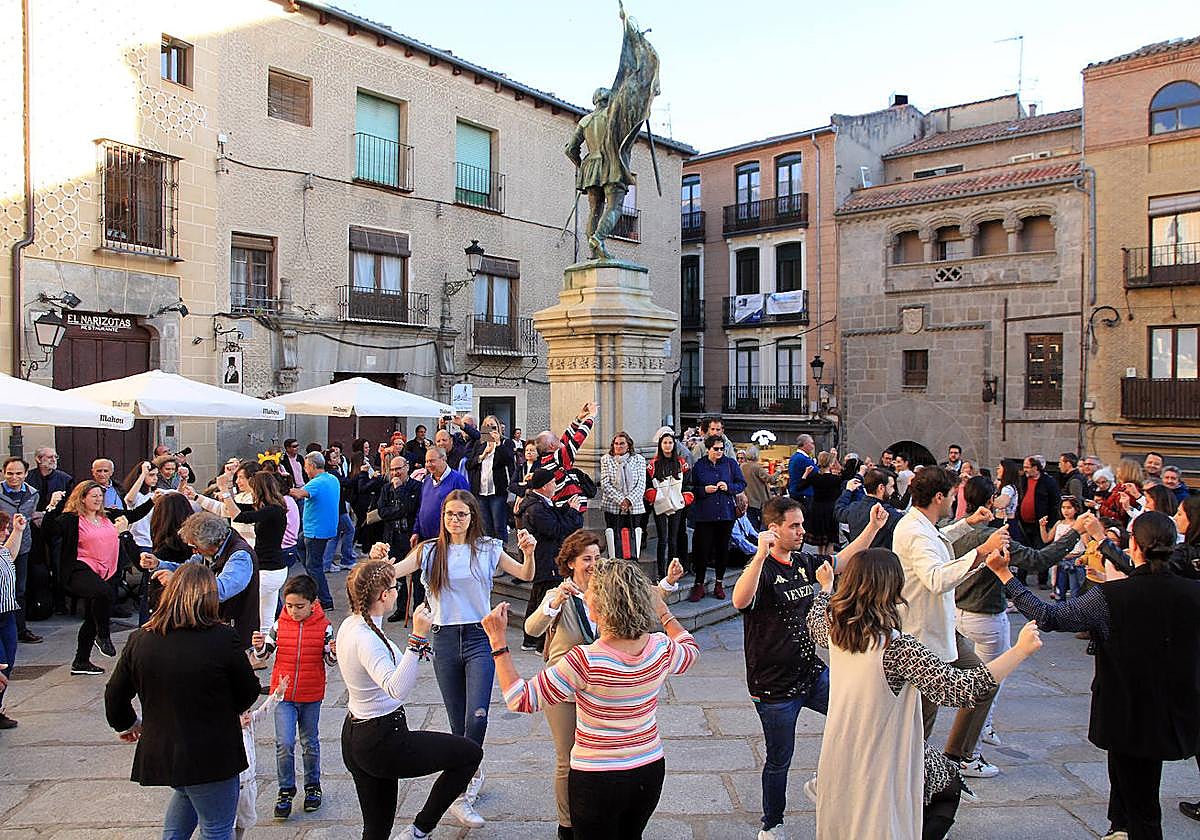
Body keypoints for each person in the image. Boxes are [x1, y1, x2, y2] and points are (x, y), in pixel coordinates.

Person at [807, 548, 1043, 840]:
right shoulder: (896, 647)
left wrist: (826, 589)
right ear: (893, 588)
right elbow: (961, 688)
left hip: (843, 748)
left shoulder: (836, 627)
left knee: (932, 788)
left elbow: (814, 620)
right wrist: (1019, 651)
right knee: (936, 795)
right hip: (882, 754)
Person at [995, 510, 1200, 840]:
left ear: (1134, 546)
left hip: (1129, 711)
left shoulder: (1111, 596)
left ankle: (1124, 827)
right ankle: (1118, 827)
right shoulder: (1192, 592)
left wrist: (1006, 575)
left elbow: (1049, 616)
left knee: (1143, 808)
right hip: (1176, 710)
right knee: (1132, 788)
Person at [489, 559, 699, 840]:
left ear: (602, 606)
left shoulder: (585, 660)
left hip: (597, 777)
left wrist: (498, 643)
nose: (585, 595)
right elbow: (690, 650)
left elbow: (520, 699)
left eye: (591, 591)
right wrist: (664, 612)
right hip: (648, 768)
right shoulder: (660, 647)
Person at [733, 496, 890, 839]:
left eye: (802, 524)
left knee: (858, 716)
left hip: (812, 672)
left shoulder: (804, 561)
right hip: (773, 685)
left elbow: (843, 560)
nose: (802, 530)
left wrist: (873, 528)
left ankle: (826, 780)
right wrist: (759, 555)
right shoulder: (762, 568)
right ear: (773, 529)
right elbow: (740, 600)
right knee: (779, 760)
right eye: (794, 525)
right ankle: (772, 824)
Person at [376, 490, 537, 819]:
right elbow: (392, 572)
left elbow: (525, 574)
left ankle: (461, 791)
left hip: (479, 637)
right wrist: (380, 558)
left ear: (472, 517)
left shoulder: (488, 548)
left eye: (462, 514)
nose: (455, 520)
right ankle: (469, 775)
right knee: (456, 721)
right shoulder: (430, 551)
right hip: (444, 639)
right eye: (450, 514)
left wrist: (529, 553)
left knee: (476, 718)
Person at [104, 563, 261, 839]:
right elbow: (248, 692)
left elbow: (114, 695)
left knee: (186, 800)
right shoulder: (222, 638)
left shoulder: (141, 639)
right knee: (217, 827)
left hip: (164, 748)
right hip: (211, 753)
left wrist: (128, 724)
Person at [338, 561, 484, 840]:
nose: (397, 592)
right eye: (394, 588)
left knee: (376, 829)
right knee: (469, 754)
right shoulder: (364, 637)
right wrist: (417, 637)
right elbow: (396, 688)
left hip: (359, 735)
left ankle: (419, 831)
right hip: (381, 739)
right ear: (383, 595)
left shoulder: (352, 624)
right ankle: (421, 829)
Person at [892, 466, 1010, 779]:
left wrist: (967, 524)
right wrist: (982, 550)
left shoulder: (919, 524)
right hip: (924, 639)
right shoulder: (916, 533)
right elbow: (935, 578)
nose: (955, 501)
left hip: (940, 632)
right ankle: (911, 783)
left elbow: (940, 538)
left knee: (983, 681)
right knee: (920, 721)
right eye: (952, 495)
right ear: (939, 496)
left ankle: (957, 756)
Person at [45, 482, 154, 675]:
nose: (98, 499)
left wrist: (153, 500)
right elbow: (49, 531)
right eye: (93, 496)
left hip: (107, 570)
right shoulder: (71, 519)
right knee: (104, 594)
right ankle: (103, 636)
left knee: (92, 616)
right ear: (82, 498)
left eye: (100, 496)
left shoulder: (109, 516)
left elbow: (134, 515)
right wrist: (52, 507)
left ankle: (81, 661)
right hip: (81, 569)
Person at [250, 575, 336, 820]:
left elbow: (330, 660)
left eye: (299, 606)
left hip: (311, 693)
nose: (294, 611)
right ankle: (286, 789)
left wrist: (332, 651)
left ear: (312, 603)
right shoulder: (279, 624)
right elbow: (265, 653)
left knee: (310, 742)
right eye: (289, 606)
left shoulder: (324, 626)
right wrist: (258, 646)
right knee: (284, 743)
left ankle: (312, 786)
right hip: (283, 694)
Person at [140, 511, 260, 650]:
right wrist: (158, 564)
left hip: (235, 632)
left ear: (210, 543)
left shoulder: (240, 556)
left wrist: (178, 581)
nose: (194, 552)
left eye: (194, 547)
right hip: (214, 628)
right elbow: (187, 569)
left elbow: (220, 591)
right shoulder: (208, 552)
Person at [517, 469, 585, 652]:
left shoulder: (540, 504)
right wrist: (571, 512)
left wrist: (566, 508)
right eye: (554, 482)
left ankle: (531, 639)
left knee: (538, 596)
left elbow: (554, 517)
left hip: (545, 558)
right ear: (546, 486)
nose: (556, 485)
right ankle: (537, 641)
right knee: (544, 599)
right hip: (545, 559)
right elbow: (556, 529)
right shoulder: (536, 508)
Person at [217, 471, 289, 639]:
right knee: (266, 618)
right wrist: (226, 495)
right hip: (274, 569)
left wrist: (225, 490)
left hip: (268, 571)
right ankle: (262, 653)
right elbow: (238, 509)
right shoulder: (273, 508)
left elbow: (240, 516)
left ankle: (249, 650)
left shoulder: (272, 510)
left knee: (243, 607)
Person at [689, 434, 746, 602]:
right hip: (705, 514)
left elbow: (741, 484)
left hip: (725, 513)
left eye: (722, 448)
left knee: (722, 550)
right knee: (702, 550)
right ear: (708, 449)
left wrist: (728, 487)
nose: (719, 451)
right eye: (716, 449)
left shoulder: (730, 464)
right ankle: (699, 583)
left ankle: (719, 583)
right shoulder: (700, 465)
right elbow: (691, 487)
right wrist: (704, 490)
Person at [288, 452, 340, 611]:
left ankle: (325, 600)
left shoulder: (316, 483)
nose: (305, 470)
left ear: (311, 466)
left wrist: (280, 487)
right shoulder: (332, 478)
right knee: (299, 545)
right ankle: (312, 580)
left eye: (305, 467)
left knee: (314, 565)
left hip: (316, 530)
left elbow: (298, 494)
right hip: (325, 528)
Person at [373, 456, 422, 622]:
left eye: (398, 469)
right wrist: (399, 510)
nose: (395, 473)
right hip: (393, 536)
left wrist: (400, 491)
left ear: (407, 467)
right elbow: (382, 512)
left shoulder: (416, 487)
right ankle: (401, 609)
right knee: (397, 576)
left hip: (411, 537)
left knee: (417, 577)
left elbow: (411, 508)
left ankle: (418, 611)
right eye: (392, 469)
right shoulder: (386, 488)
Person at [235, 678, 285, 839]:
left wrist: (277, 694)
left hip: (249, 784)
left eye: (248, 712)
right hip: (233, 785)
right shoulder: (228, 731)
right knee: (227, 823)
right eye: (242, 714)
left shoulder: (250, 726)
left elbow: (263, 712)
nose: (247, 717)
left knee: (244, 822)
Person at [0, 457, 40, 644]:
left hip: (22, 546)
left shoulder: (32, 493)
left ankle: (20, 629)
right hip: (1, 545)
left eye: (18, 473)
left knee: (19, 589)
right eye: (10, 473)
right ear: (3, 473)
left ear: (25, 474)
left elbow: (31, 516)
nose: (13, 477)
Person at [647, 428, 690, 579]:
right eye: (664, 442)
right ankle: (660, 573)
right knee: (662, 539)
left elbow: (688, 484)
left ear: (674, 444)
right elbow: (648, 486)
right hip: (660, 504)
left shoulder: (681, 463)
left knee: (673, 540)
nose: (667, 445)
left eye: (670, 442)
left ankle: (671, 572)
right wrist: (654, 497)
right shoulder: (653, 465)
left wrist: (685, 498)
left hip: (677, 505)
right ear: (660, 445)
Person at [466, 415, 516, 543]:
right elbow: (469, 464)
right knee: (486, 526)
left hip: (497, 491)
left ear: (498, 428)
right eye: (487, 426)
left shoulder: (506, 443)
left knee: (499, 525)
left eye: (493, 426)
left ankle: (502, 554)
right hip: (481, 490)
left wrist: (498, 444)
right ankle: (488, 553)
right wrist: (483, 455)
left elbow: (509, 460)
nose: (490, 430)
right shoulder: (479, 443)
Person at [0, 511, 27, 728]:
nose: (5, 532)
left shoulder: (2, 551)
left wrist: (18, 531)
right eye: (4, 529)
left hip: (8, 615)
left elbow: (10, 553)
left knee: (7, 663)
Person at [413, 447, 470, 548]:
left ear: (443, 459)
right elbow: (421, 507)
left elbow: (466, 510)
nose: (428, 465)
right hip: (425, 540)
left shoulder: (458, 480)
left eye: (432, 461)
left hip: (447, 541)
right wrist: (416, 531)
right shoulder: (426, 480)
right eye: (426, 461)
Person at [836, 468, 904, 549]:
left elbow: (839, 511)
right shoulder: (887, 512)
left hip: (857, 557)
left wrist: (848, 491)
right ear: (881, 488)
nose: (893, 490)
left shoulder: (854, 507)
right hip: (881, 558)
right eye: (891, 486)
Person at [599, 431, 647, 539]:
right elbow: (605, 484)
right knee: (615, 538)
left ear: (628, 445)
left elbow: (641, 484)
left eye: (622, 443)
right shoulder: (606, 459)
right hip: (613, 506)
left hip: (634, 506)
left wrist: (629, 500)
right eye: (616, 444)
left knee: (632, 539)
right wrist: (621, 500)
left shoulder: (639, 459)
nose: (618, 446)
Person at [795, 451, 843, 554]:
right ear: (831, 464)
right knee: (830, 541)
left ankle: (820, 561)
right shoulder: (835, 479)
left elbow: (799, 487)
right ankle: (828, 563)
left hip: (817, 509)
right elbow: (840, 493)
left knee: (821, 542)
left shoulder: (814, 477)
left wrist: (806, 474)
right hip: (831, 509)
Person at [1040, 497, 1087, 600]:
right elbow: (1046, 539)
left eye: (1069, 507)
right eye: (1063, 507)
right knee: (1059, 590)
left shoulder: (1078, 524)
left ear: (1076, 509)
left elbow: (1086, 544)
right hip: (1060, 560)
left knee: (1076, 591)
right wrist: (1042, 527)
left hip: (1075, 560)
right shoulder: (1059, 523)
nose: (1065, 510)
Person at [740, 445, 772, 530]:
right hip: (760, 501)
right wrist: (779, 471)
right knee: (764, 523)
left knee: (752, 524)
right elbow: (770, 479)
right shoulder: (757, 467)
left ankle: (753, 540)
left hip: (749, 500)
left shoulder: (742, 466)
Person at [786, 434, 818, 510]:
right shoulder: (802, 458)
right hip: (803, 493)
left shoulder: (795, 457)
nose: (813, 446)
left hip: (797, 492)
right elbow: (817, 472)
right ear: (805, 444)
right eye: (811, 443)